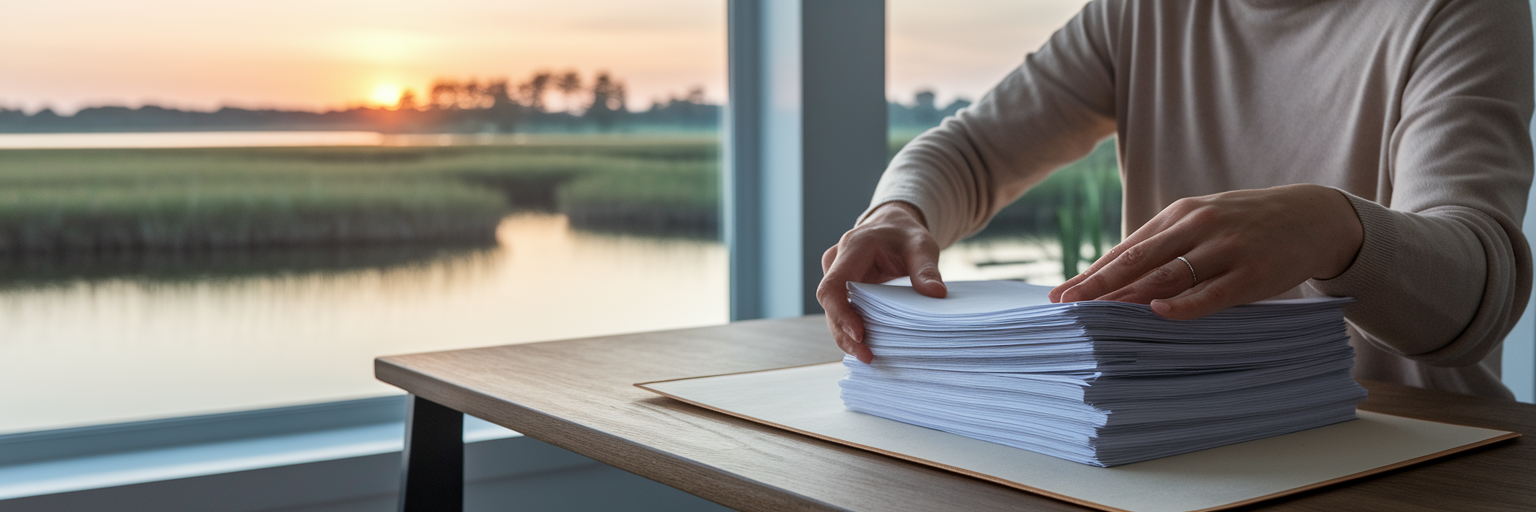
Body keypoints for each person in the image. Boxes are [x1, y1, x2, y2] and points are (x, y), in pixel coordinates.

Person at [817, 0, 1534, 399]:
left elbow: (1475, 297)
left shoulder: (1458, 11)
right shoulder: (1139, 12)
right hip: (1174, 434)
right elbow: (971, 151)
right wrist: (897, 214)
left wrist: (1334, 229)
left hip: (1408, 449)